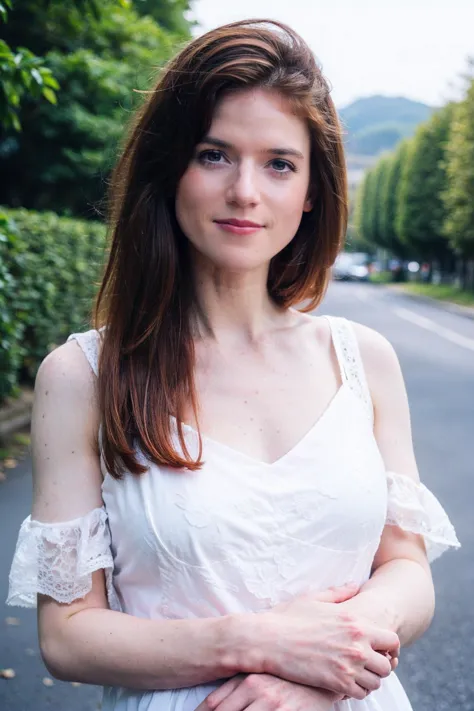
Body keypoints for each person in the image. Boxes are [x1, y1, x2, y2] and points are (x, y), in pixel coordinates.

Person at [7, 18, 460, 711]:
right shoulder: (84, 375)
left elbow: (405, 568)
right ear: (171, 167)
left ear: (312, 191)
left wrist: (311, 672)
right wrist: (260, 643)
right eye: (215, 154)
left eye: (280, 163)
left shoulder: (362, 359)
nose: (246, 191)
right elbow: (67, 635)